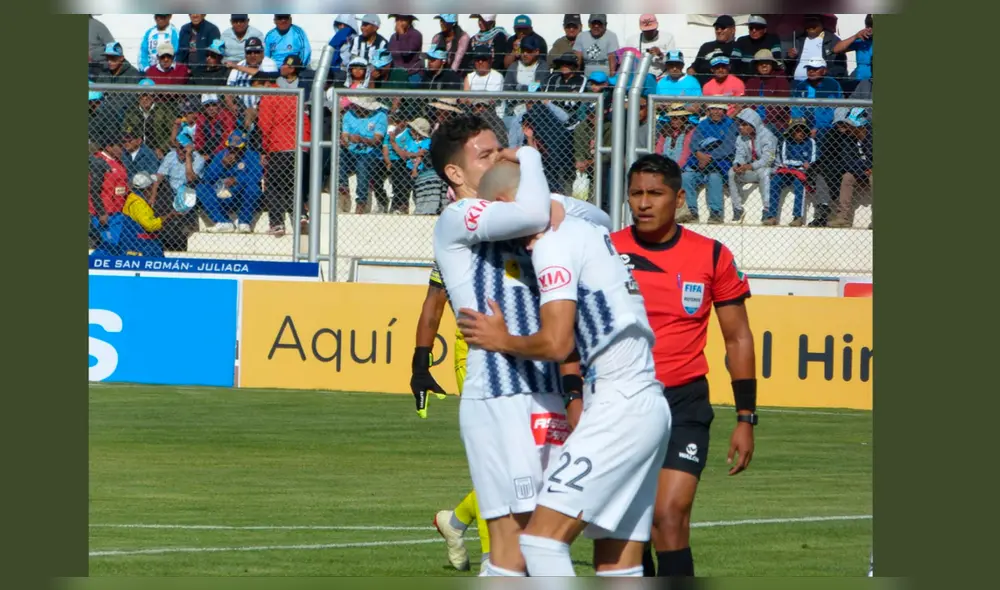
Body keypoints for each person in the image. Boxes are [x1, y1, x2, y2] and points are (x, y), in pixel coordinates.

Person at [457, 157, 668, 578]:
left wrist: (503, 341)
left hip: (619, 403)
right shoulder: (588, 229)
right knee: (617, 564)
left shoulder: (554, 242)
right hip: (648, 402)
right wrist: (534, 167)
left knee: (539, 541)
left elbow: (557, 343)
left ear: (506, 205)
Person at [424, 115, 608, 576]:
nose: (501, 159)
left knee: (519, 550)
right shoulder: (457, 217)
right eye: (485, 155)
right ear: (455, 175)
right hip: (500, 392)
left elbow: (602, 219)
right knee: (529, 538)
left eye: (501, 149)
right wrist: (530, 157)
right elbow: (532, 215)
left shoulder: (526, 207)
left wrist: (547, 201)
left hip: (542, 383)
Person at [610, 153, 758, 577]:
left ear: (677, 199)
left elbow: (738, 337)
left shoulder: (711, 256)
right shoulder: (605, 251)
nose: (643, 203)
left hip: (684, 403)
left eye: (655, 193)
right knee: (626, 528)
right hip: (620, 402)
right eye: (636, 193)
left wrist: (746, 416)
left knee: (669, 518)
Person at [197, 130, 264, 233]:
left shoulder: (251, 156)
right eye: (230, 148)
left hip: (240, 196)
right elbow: (208, 178)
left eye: (236, 149)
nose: (232, 151)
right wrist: (221, 166)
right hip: (221, 194)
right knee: (201, 188)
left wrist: (237, 180)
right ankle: (223, 222)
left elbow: (257, 176)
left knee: (254, 188)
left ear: (243, 147)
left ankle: (244, 222)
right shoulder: (221, 155)